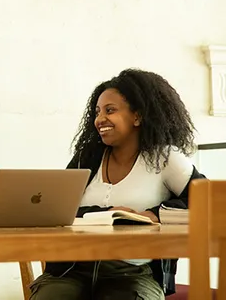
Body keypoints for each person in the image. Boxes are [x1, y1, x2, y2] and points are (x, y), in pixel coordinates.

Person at [30, 69, 206, 300]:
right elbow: (60, 210)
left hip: (133, 273)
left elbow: (207, 202)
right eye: (97, 112)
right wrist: (108, 214)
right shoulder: (88, 157)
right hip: (71, 269)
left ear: (138, 116)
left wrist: (153, 214)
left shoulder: (164, 158)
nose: (99, 119)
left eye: (110, 110)